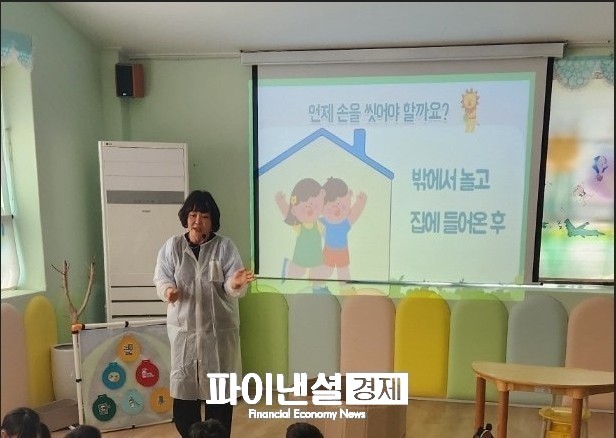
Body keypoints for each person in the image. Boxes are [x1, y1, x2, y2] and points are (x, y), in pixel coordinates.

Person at [154, 190, 255, 438]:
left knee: (219, 400)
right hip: (185, 333)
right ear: (186, 218)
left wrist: (235, 283)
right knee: (184, 401)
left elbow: (231, 284)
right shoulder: (173, 247)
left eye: (205, 216)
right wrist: (168, 291)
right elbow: (162, 276)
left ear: (213, 221)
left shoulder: (224, 247)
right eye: (193, 215)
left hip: (217, 334)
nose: (198, 221)